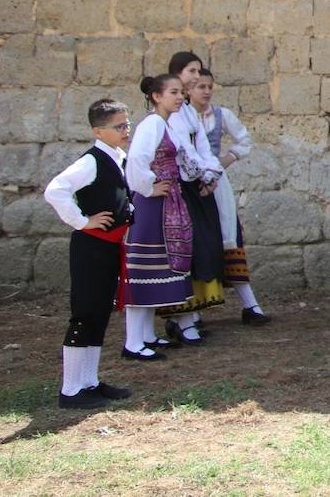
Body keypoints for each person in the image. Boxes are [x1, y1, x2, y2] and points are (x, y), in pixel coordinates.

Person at [42, 98, 136, 409]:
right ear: (98, 131)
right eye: (119, 126)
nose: (126, 130)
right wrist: (83, 221)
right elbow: (55, 190)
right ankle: (71, 390)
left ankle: (89, 382)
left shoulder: (117, 158)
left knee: (99, 314)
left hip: (109, 246)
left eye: (127, 123)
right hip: (91, 247)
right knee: (85, 314)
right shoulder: (92, 161)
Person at [188, 69, 268, 326]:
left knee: (228, 236)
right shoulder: (181, 118)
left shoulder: (221, 115)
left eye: (209, 86)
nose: (207, 91)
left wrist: (227, 159)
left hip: (217, 184)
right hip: (191, 186)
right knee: (198, 241)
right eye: (201, 86)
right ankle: (194, 310)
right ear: (189, 89)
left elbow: (244, 140)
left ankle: (250, 304)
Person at [122, 75, 193, 359]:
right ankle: (132, 342)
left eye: (180, 93)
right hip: (153, 205)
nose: (179, 97)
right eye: (173, 92)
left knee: (156, 272)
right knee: (142, 272)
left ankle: (147, 335)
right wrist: (148, 188)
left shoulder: (164, 124)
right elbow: (137, 158)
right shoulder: (151, 124)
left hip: (166, 202)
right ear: (156, 96)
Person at [158, 52, 226, 344]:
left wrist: (212, 175)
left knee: (203, 250)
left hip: (197, 185)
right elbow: (181, 149)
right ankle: (179, 319)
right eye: (191, 71)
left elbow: (202, 146)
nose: (197, 77)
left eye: (198, 71)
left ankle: (188, 316)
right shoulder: (169, 111)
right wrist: (201, 175)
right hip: (180, 188)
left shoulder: (188, 110)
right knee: (183, 254)